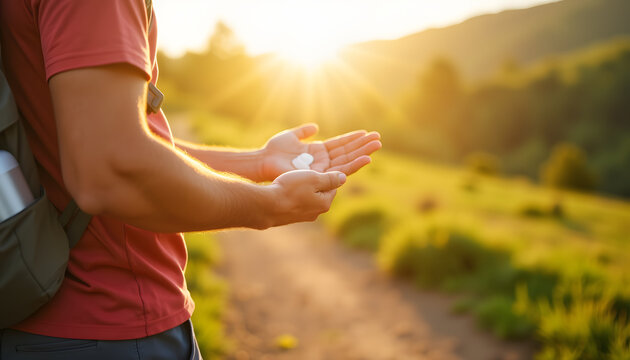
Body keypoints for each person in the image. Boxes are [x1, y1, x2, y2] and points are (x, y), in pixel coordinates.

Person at [0, 0, 381, 359]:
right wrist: (267, 206)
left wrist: (259, 162)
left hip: (25, 307)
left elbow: (107, 140)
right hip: (111, 324)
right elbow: (110, 170)